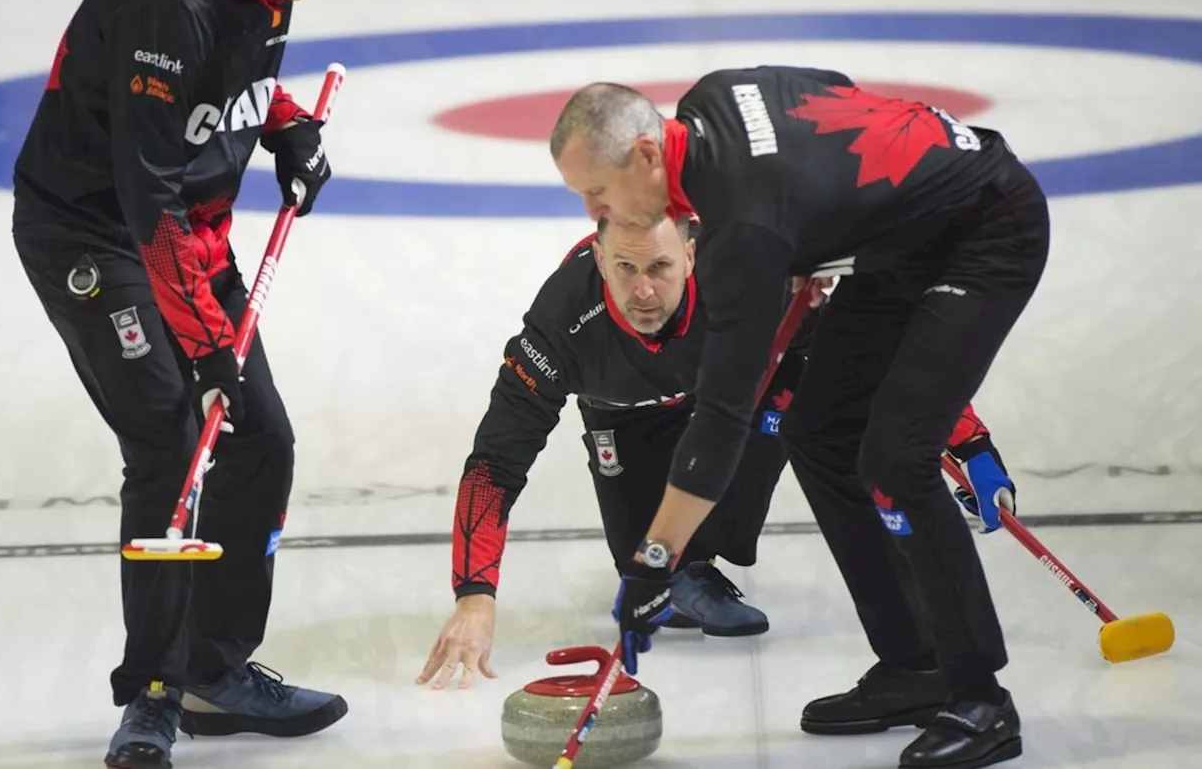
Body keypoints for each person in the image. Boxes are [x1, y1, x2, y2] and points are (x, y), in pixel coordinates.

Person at [549, 67, 1048, 769]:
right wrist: (823, 219)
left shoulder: (743, 231)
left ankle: (982, 698)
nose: (593, 210)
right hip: (899, 241)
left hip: (988, 231)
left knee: (897, 463)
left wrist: (655, 559)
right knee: (819, 433)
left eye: (597, 191)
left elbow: (724, 416)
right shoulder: (712, 98)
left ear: (644, 155)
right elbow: (831, 88)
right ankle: (913, 666)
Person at [10, 0, 363, 766]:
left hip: (187, 229)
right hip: (96, 234)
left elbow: (231, 79)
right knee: (174, 438)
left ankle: (214, 668)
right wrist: (207, 348)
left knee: (261, 440)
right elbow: (145, 191)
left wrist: (286, 124)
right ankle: (152, 693)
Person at [415, 214, 1020, 691]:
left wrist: (966, 438)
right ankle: (681, 570)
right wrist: (475, 598)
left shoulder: (747, 280)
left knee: (810, 392)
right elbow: (493, 467)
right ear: (598, 258)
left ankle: (900, 631)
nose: (643, 291)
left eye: (660, 266)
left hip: (737, 400)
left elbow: (876, 352)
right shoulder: (560, 327)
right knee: (647, 563)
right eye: (624, 268)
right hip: (622, 418)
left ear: (692, 255)